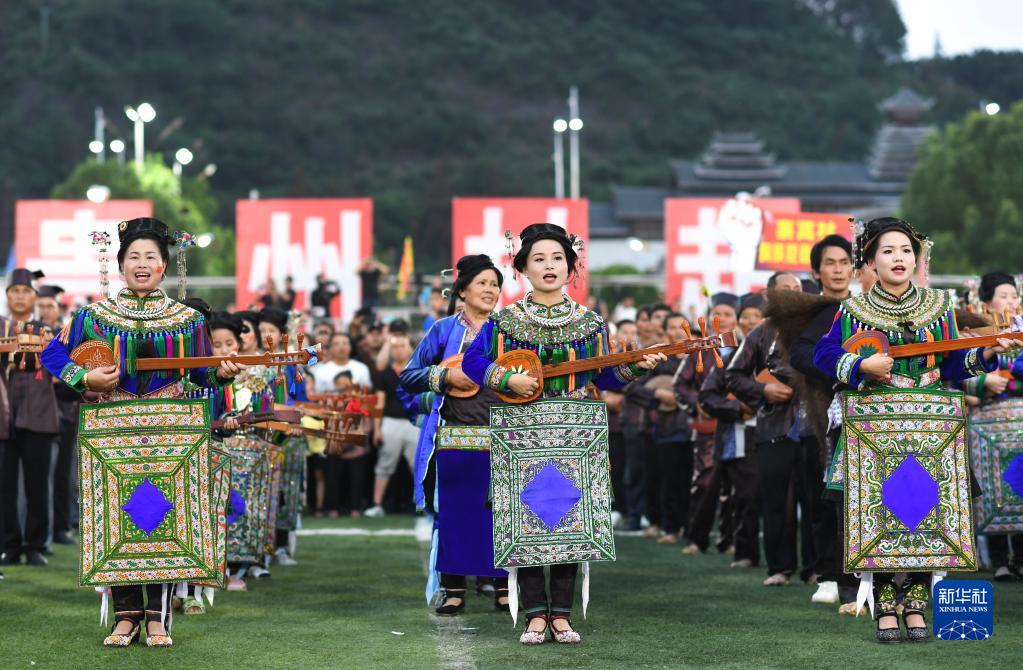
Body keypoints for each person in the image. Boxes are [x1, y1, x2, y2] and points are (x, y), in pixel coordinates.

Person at [40, 218, 245, 647]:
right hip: (112, 430)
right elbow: (53, 354)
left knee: (166, 515)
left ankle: (158, 617)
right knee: (120, 516)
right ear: (120, 266)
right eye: (133, 256)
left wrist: (223, 376)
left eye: (151, 256)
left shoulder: (188, 319)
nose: (142, 263)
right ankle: (125, 615)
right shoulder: (94, 316)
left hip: (172, 431)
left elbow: (203, 378)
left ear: (164, 265)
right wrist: (85, 378)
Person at [462, 224, 664, 645]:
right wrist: (504, 378)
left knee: (570, 519)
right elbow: (473, 362)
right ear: (522, 268)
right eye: (538, 259)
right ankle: (536, 614)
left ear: (571, 266)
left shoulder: (590, 322)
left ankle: (562, 616)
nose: (549, 266)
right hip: (521, 435)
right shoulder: (505, 320)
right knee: (529, 519)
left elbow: (603, 377)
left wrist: (635, 368)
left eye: (557, 258)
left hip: (576, 435)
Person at [812, 217, 1010, 642]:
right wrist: (861, 365)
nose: (898, 258)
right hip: (875, 425)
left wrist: (989, 350)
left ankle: (917, 601)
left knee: (926, 507)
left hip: (931, 422)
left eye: (906, 250)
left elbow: (955, 364)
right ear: (870, 261)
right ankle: (886, 602)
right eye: (887, 251)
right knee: (882, 509)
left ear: (917, 258)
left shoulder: (939, 306)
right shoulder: (853, 310)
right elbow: (823, 354)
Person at [400, 254, 510, 614]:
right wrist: (446, 377)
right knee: (455, 513)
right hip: (455, 437)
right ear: (462, 290)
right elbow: (408, 375)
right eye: (482, 283)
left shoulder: (510, 330)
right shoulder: (443, 330)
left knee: (501, 513)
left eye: (495, 284)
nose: (490, 290)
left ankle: (503, 585)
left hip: (503, 436)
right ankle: (454, 589)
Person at [725, 273, 814, 587]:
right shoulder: (761, 334)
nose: (792, 294)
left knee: (814, 500)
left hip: (813, 428)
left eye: (797, 290)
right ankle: (780, 567)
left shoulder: (818, 327)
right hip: (773, 427)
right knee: (777, 502)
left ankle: (816, 568)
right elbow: (733, 375)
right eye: (784, 289)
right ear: (770, 295)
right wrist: (763, 391)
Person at [1, 269, 58, 568]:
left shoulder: (47, 332)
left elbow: (62, 372)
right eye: (15, 291)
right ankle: (9, 545)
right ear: (8, 296)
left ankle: (36, 545)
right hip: (4, 418)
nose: (20, 296)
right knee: (5, 486)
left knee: (38, 485)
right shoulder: (0, 328)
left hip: (39, 415)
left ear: (34, 297)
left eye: (25, 291)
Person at [971, 272, 1023, 581]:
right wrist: (983, 382)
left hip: (1020, 417)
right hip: (986, 422)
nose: (1010, 301)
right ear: (987, 301)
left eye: (1014, 295)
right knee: (991, 486)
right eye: (1003, 295)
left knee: (1019, 482)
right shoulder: (976, 333)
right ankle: (1001, 559)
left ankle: (1021, 554)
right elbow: (961, 372)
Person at [37, 285, 79, 548]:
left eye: (49, 306)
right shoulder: (27, 335)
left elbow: (73, 380)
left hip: (64, 412)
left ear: (58, 309)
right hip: (35, 412)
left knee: (64, 473)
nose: (45, 311)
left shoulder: (64, 339)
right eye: (40, 307)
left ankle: (62, 525)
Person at [365, 333, 420, 518]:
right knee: (385, 464)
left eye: (402, 345)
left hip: (415, 422)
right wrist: (377, 428)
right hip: (391, 422)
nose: (399, 350)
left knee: (419, 465)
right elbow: (379, 403)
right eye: (394, 346)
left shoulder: (419, 370)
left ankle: (423, 504)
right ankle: (377, 504)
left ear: (410, 348)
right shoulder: (385, 374)